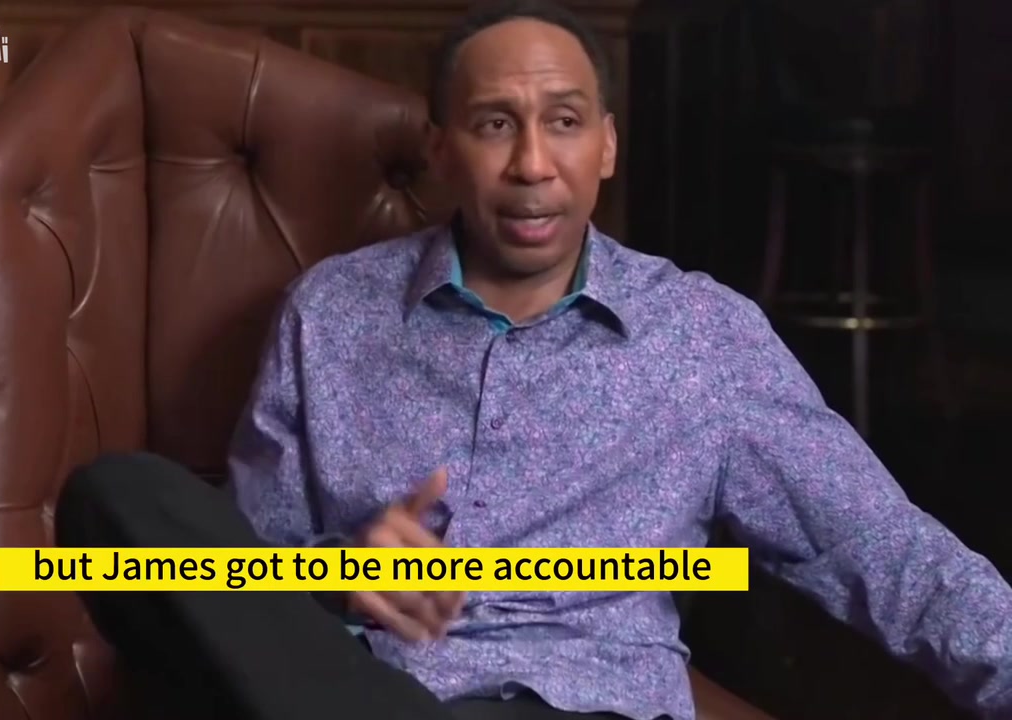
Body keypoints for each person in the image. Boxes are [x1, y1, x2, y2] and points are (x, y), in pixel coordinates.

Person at [54, 0, 1012, 718]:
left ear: (607, 147)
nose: (531, 165)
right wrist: (336, 573)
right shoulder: (331, 313)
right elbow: (239, 586)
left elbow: (885, 551)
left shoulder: (700, 336)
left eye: (563, 121)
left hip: (584, 699)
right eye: (494, 123)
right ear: (441, 150)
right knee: (118, 499)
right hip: (359, 689)